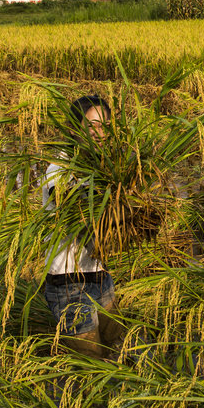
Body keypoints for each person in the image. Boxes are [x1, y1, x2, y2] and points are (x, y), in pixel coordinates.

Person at [40, 95, 124, 358]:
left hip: (99, 273)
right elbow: (77, 212)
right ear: (75, 129)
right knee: (91, 365)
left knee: (116, 344)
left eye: (104, 126)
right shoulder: (59, 170)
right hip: (67, 283)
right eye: (91, 126)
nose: (99, 134)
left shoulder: (104, 167)